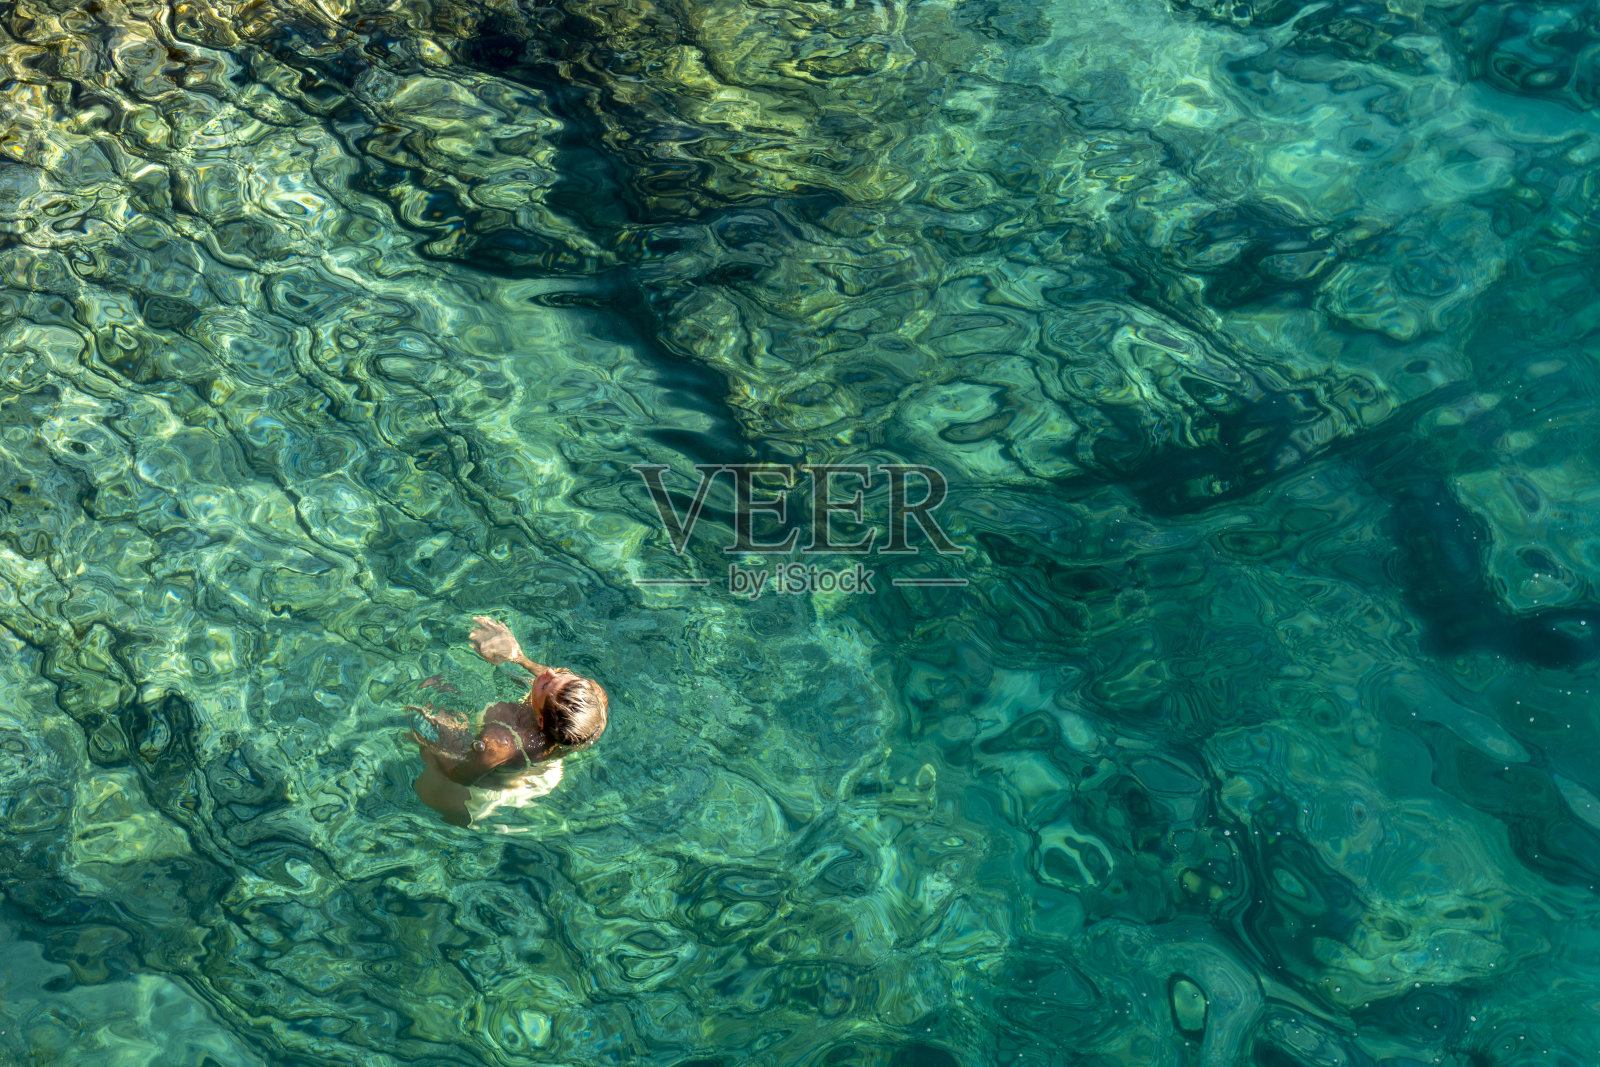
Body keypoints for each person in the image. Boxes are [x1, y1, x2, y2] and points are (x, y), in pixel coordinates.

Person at [405, 616, 609, 827]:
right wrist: (517, 657)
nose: (549, 672)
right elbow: (557, 690)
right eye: (563, 676)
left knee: (428, 773)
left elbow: (459, 775)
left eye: (545, 684)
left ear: (540, 720)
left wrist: (443, 726)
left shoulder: (502, 741)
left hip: (486, 786)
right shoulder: (591, 707)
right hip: (541, 770)